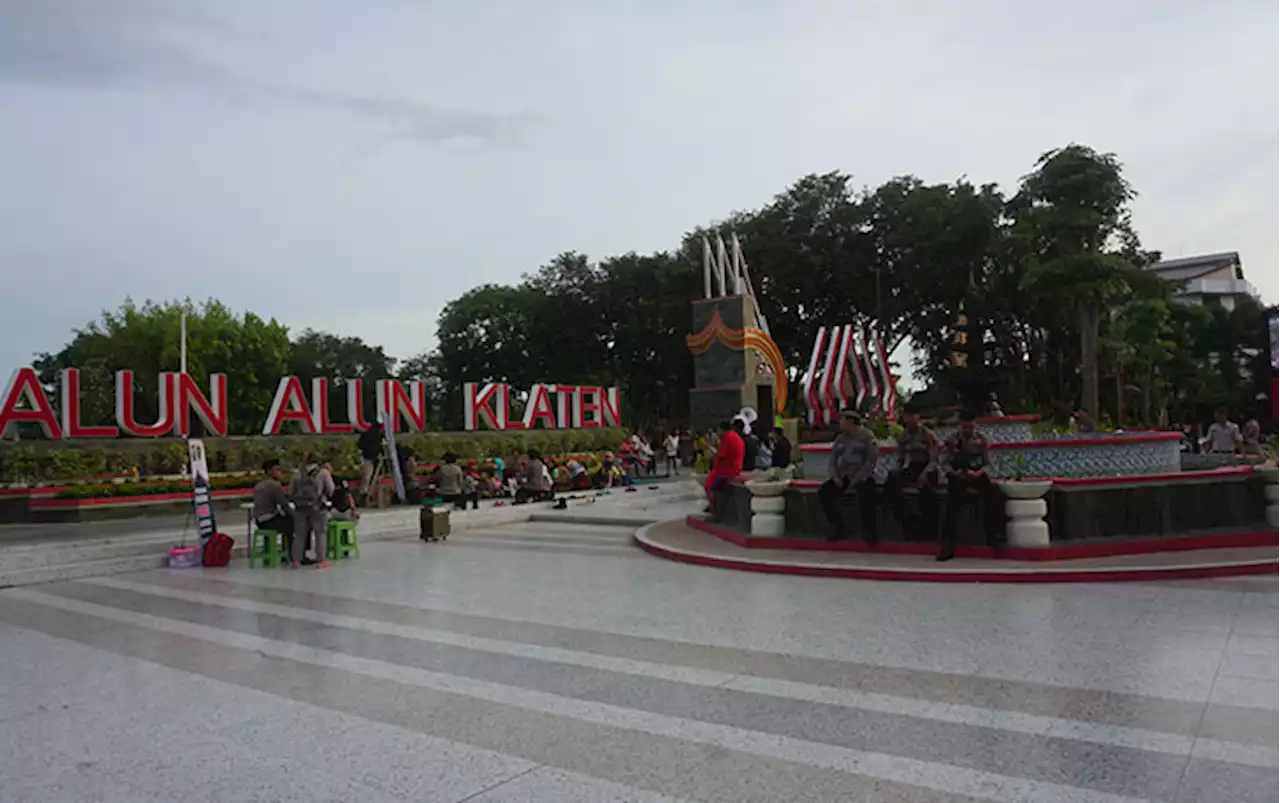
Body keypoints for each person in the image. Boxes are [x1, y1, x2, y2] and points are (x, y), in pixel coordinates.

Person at [939, 410, 1005, 561]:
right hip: (958, 475)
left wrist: (978, 473)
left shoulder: (981, 440)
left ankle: (994, 536)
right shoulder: (951, 440)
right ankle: (947, 543)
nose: (967, 429)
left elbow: (989, 464)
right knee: (952, 504)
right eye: (965, 426)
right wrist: (953, 472)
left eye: (970, 426)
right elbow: (944, 462)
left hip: (976, 474)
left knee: (992, 496)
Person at [817, 410, 880, 544]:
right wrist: (835, 477)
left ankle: (870, 534)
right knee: (824, 493)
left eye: (842, 420)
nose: (840, 423)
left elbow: (871, 460)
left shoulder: (867, 437)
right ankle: (840, 528)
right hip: (842, 476)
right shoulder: (840, 439)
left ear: (851, 422)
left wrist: (858, 478)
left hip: (861, 476)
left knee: (867, 498)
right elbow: (832, 460)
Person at [884, 404, 939, 539]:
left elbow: (934, 459)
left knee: (927, 493)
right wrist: (897, 470)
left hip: (928, 467)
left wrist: (925, 473)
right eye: (907, 417)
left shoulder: (927, 434)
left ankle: (929, 530)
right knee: (891, 483)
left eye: (912, 416)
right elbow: (901, 458)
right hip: (913, 466)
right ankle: (907, 520)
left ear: (917, 417)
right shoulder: (904, 435)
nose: (909, 420)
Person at [288, 453, 334, 568]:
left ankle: (296, 561)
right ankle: (320, 561)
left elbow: (291, 492)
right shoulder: (323, 473)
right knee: (320, 534)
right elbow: (331, 489)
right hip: (318, 507)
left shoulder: (297, 474)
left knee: (299, 535)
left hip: (300, 508)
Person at [252, 459, 295, 556]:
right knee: (295, 524)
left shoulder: (258, 485)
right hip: (270, 520)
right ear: (269, 471)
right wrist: (294, 515)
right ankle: (292, 554)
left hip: (259, 521)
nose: (280, 473)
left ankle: (282, 553)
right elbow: (284, 505)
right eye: (277, 470)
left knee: (287, 522)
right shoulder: (275, 485)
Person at [704, 419, 744, 519]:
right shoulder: (735, 437)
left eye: (718, 431)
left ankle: (715, 515)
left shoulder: (728, 438)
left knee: (709, 488)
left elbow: (721, 455)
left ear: (722, 430)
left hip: (726, 471)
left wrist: (711, 449)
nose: (717, 433)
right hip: (734, 468)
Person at [356, 423, 383, 501]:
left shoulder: (367, 433)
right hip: (373, 457)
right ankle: (365, 492)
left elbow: (359, 444)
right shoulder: (378, 435)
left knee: (367, 476)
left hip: (367, 456)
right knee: (369, 476)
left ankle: (365, 492)